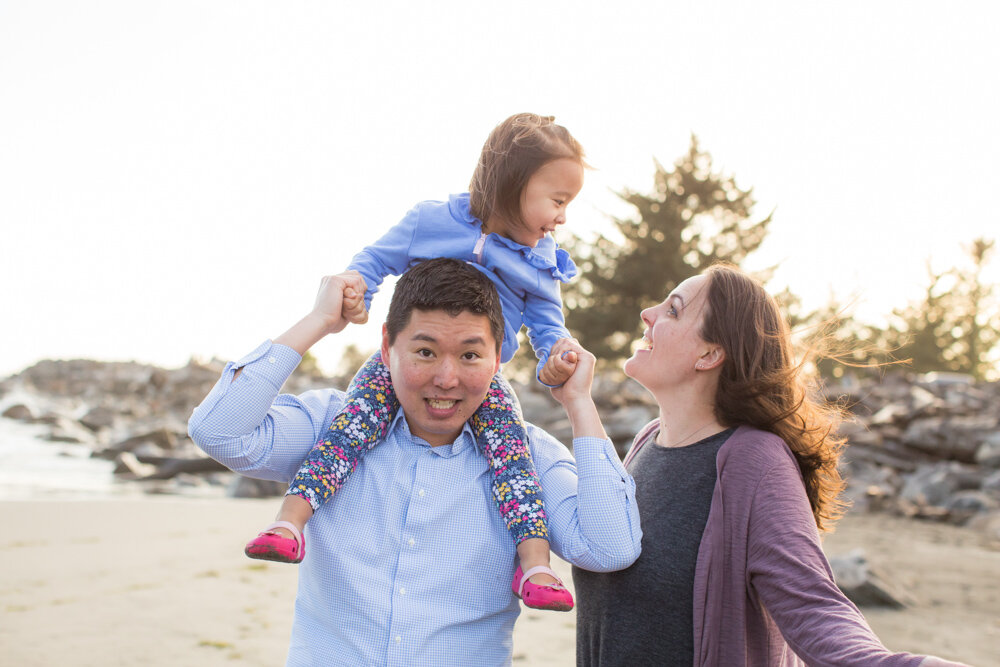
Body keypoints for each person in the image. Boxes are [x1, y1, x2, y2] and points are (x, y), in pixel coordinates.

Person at [188, 258, 641, 665]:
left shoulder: (529, 457)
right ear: (387, 348)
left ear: (497, 358)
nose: (446, 379)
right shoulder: (329, 425)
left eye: (469, 355)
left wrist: (579, 402)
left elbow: (608, 548)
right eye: (425, 352)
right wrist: (319, 321)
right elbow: (219, 432)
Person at [242, 113, 586, 611]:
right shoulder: (433, 221)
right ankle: (289, 523)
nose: (562, 217)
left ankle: (535, 565)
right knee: (348, 431)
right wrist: (357, 285)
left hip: (481, 382)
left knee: (514, 463)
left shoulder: (540, 261)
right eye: (558, 201)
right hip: (404, 369)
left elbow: (550, 327)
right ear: (513, 187)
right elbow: (377, 258)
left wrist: (557, 358)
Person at [572, 263, 970, 667]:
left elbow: (813, 603)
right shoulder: (646, 441)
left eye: (673, 310)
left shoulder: (753, 461)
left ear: (710, 354)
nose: (648, 313)